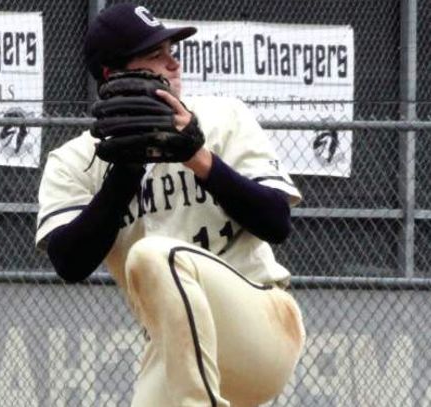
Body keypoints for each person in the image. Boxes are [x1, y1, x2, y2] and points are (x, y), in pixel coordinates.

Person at [36, 3, 305, 406]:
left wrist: (200, 158)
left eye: (171, 50)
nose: (173, 63)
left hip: (260, 323)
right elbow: (69, 262)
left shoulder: (223, 117)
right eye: (154, 55)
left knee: (153, 255)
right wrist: (125, 172)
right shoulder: (75, 160)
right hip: (173, 348)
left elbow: (276, 222)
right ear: (114, 75)